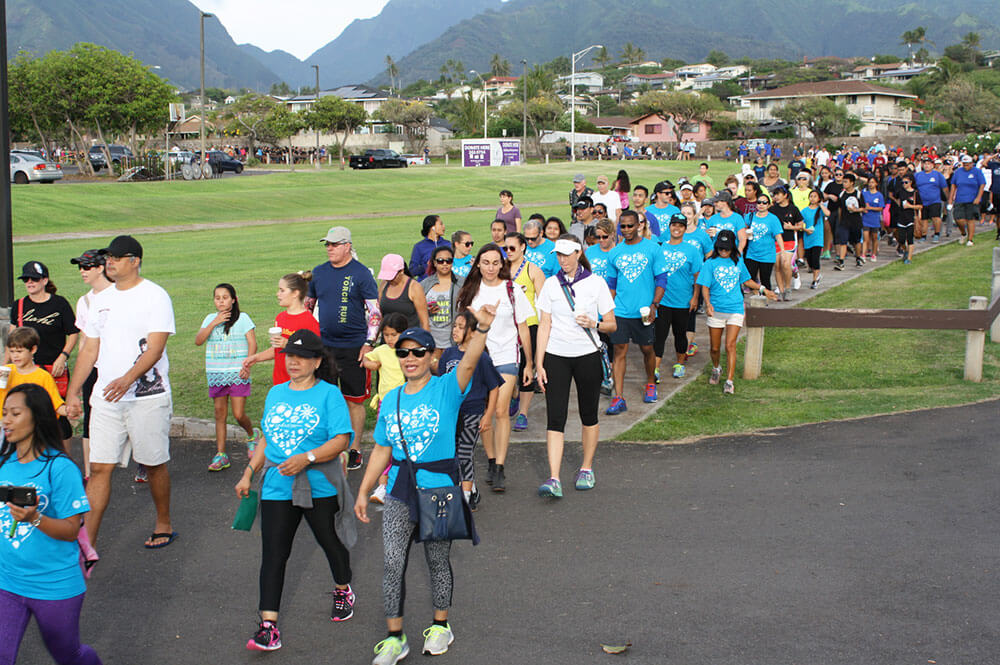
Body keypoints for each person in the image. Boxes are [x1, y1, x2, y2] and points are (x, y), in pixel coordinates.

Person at [355, 312, 495, 664]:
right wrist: (363, 489)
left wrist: (482, 329)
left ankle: (439, 625)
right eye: (404, 353)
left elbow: (471, 360)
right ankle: (393, 637)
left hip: (439, 491)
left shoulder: (447, 388)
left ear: (433, 357)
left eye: (419, 352)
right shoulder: (392, 399)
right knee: (391, 563)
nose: (411, 359)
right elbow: (382, 449)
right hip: (401, 489)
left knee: (437, 560)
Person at [236, 330, 357, 652]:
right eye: (290, 355)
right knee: (274, 554)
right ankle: (268, 626)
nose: (293, 362)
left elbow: (342, 439)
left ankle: (343, 587)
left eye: (302, 357)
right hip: (277, 485)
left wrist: (308, 457)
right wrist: (249, 472)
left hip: (318, 484)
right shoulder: (276, 393)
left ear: (317, 362)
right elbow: (266, 439)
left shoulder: (329, 395)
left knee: (330, 541)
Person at [66, 235, 176, 549]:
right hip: (105, 397)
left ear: (135, 260)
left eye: (115, 257)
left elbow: (155, 349)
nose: (109, 263)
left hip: (147, 396)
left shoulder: (155, 296)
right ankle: (86, 544)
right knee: (99, 467)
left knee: (153, 463)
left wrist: (128, 379)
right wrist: (73, 393)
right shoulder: (100, 300)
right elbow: (88, 350)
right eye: (107, 258)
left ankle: (163, 522)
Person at [0, 384, 101, 665]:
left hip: (54, 584)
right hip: (6, 581)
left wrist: (34, 518)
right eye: (4, 413)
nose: (6, 420)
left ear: (37, 417)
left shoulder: (61, 468)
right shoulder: (3, 463)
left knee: (69, 656)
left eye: (15, 413)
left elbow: (71, 531)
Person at [535, 236, 616, 497]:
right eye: (559, 255)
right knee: (555, 417)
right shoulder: (550, 284)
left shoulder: (596, 283)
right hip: (556, 356)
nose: (563, 260)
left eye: (568, 254)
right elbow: (544, 324)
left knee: (588, 414)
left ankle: (586, 468)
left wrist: (594, 323)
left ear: (578, 253)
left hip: (587, 355)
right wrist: (538, 363)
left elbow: (612, 324)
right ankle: (554, 477)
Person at [456, 244, 533, 492]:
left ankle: (500, 467)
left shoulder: (511, 289)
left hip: (507, 354)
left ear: (502, 265)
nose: (490, 267)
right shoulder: (471, 291)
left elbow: (523, 326)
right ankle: (490, 459)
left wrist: (529, 362)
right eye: (486, 262)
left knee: (500, 409)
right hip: (480, 356)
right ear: (477, 263)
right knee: (483, 411)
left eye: (495, 262)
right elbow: (462, 327)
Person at [308, 226, 381, 470]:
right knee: (326, 398)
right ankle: (330, 444)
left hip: (353, 347)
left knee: (354, 400)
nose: (329, 248)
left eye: (334, 244)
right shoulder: (318, 273)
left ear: (347, 246)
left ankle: (355, 448)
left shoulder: (361, 274)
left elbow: (375, 312)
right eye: (327, 244)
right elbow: (308, 306)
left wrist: (369, 343)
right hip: (325, 346)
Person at [436, 311, 503, 511]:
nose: (455, 330)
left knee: (465, 451)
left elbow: (494, 387)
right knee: (453, 453)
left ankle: (464, 497)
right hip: (451, 413)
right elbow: (442, 383)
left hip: (473, 412)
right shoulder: (448, 354)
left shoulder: (480, 357)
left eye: (460, 326)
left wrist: (488, 415)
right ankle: (471, 488)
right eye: (454, 326)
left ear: (473, 333)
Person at [697, 230, 777, 395]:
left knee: (730, 345)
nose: (723, 252)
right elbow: (704, 285)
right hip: (716, 310)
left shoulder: (738, 261)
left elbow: (746, 280)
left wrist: (763, 289)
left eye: (726, 249)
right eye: (720, 249)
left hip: (735, 309)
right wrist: (708, 303)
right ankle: (716, 367)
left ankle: (729, 381)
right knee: (715, 348)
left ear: (732, 248)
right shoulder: (709, 263)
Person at [604, 210, 667, 415]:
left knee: (647, 349)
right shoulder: (614, 253)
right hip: (621, 311)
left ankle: (650, 383)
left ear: (639, 226)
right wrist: (608, 310)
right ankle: (618, 397)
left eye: (630, 225)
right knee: (619, 351)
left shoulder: (653, 249)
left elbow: (662, 280)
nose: (627, 230)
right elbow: (611, 285)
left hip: (644, 312)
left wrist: (654, 305)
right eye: (623, 226)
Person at [195, 283, 258, 472]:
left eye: (225, 297)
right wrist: (214, 322)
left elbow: (252, 343)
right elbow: (198, 341)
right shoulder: (209, 319)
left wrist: (247, 364)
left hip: (238, 373)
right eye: (217, 298)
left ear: (233, 299)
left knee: (239, 414)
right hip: (216, 373)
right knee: (219, 414)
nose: (221, 301)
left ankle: (251, 434)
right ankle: (221, 454)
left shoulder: (243, 319)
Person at [70, 250, 113, 480]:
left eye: (87, 267)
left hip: (116, 365)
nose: (82, 271)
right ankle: (89, 471)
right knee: (90, 416)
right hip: (93, 367)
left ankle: (143, 461)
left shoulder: (118, 295)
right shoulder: (85, 301)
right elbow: (84, 340)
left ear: (100, 268)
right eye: (80, 267)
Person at [11, 261, 78, 399]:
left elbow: (73, 333)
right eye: (26, 279)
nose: (29, 282)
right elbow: (12, 339)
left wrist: (63, 356)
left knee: (55, 410)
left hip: (53, 368)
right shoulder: (19, 305)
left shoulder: (60, 303)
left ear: (45, 280)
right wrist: (6, 366)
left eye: (34, 279)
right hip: (26, 368)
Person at [243, 272, 321, 389]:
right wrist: (256, 357)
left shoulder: (309, 321)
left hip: (301, 384)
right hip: (280, 382)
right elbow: (277, 349)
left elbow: (316, 353)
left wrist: (288, 344)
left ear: (295, 293)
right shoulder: (280, 318)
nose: (277, 294)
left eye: (282, 290)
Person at [504, 232, 545, 432]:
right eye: (506, 248)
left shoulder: (532, 270)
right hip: (506, 326)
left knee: (526, 368)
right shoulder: (500, 269)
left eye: (512, 248)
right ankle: (514, 394)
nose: (508, 252)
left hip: (529, 325)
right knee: (508, 367)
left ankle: (523, 413)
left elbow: (544, 301)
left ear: (523, 247)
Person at [654, 214, 702, 381]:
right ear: (669, 226)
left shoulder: (691, 250)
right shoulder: (659, 248)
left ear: (684, 228)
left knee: (680, 334)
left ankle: (679, 363)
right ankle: (655, 368)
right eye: (674, 225)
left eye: (680, 226)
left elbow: (697, 276)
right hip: (663, 300)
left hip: (683, 300)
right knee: (659, 335)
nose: (677, 228)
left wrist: (695, 297)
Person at [422, 246, 462, 358]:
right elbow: (416, 310)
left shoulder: (462, 283)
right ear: (434, 263)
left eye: (448, 261)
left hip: (453, 340)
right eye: (440, 261)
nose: (445, 264)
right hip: (431, 340)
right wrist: (427, 311)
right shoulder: (424, 285)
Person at [744, 192, 784, 294]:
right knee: (751, 279)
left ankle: (766, 298)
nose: (761, 205)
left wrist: (782, 250)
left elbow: (778, 236)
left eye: (764, 202)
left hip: (767, 254)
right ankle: (757, 297)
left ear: (769, 204)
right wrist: (746, 233)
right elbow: (743, 229)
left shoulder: (773, 219)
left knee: (765, 279)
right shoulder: (750, 216)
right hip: (752, 253)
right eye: (759, 202)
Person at [378, 254, 430, 332]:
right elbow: (379, 316)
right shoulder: (384, 284)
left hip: (409, 339)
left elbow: (424, 322)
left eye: (392, 277)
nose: (389, 280)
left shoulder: (414, 287)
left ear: (401, 271)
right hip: (388, 339)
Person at [770, 187, 805, 300]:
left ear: (785, 195)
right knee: (778, 265)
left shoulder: (793, 209)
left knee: (786, 263)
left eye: (778, 194)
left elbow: (801, 225)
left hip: (789, 240)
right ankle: (780, 290)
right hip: (775, 241)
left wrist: (792, 227)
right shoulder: (772, 210)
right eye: (775, 195)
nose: (776, 197)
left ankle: (788, 288)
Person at [949, 155, 986, 246]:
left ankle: (970, 239)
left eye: (967, 164)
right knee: (958, 218)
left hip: (972, 199)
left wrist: (978, 197)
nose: (966, 166)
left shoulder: (977, 172)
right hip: (960, 199)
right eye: (964, 164)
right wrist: (950, 199)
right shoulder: (958, 172)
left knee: (970, 219)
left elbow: (982, 185)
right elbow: (953, 186)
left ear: (971, 164)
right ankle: (963, 233)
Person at [834, 174, 865, 270]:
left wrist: (856, 210)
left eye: (846, 182)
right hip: (844, 222)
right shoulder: (842, 194)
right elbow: (839, 208)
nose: (844, 184)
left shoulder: (858, 194)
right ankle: (841, 261)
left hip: (855, 221)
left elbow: (863, 208)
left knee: (856, 241)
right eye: (843, 182)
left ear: (852, 183)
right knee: (843, 242)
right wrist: (839, 220)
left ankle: (858, 257)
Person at [913, 157, 947, 242]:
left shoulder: (938, 175)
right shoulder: (917, 175)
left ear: (932, 165)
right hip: (922, 202)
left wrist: (947, 198)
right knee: (924, 219)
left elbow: (944, 187)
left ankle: (937, 234)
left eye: (929, 164)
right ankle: (923, 235)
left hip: (935, 200)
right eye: (925, 164)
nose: (927, 166)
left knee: (936, 218)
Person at [801, 189, 828, 288]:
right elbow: (800, 223)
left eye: (815, 196)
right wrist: (805, 229)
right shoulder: (805, 210)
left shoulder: (820, 210)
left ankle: (815, 279)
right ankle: (816, 274)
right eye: (811, 196)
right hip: (808, 238)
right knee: (809, 258)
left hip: (818, 238)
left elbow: (828, 213)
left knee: (815, 259)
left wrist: (821, 205)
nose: (812, 198)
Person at [897, 174, 922, 264]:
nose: (904, 184)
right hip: (901, 217)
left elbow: (920, 206)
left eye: (906, 182)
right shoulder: (900, 192)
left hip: (911, 218)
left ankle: (909, 258)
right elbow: (896, 199)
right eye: (902, 182)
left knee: (910, 238)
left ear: (911, 182)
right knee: (901, 239)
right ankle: (905, 250)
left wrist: (910, 206)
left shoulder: (915, 193)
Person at [860, 177, 885, 262]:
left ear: (876, 184)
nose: (871, 184)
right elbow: (862, 205)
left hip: (875, 219)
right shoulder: (864, 194)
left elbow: (881, 208)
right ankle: (863, 254)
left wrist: (870, 208)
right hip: (865, 218)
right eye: (870, 183)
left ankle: (873, 254)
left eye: (873, 183)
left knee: (874, 237)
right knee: (865, 237)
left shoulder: (879, 195)